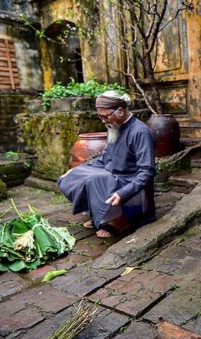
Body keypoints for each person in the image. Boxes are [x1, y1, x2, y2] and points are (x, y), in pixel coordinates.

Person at [58, 90, 156, 238]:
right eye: (100, 116)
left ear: (120, 111)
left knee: (95, 180)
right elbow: (105, 159)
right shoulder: (114, 127)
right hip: (112, 176)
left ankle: (120, 219)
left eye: (105, 116)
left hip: (130, 183)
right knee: (74, 176)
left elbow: (147, 172)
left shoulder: (140, 132)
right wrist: (78, 170)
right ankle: (102, 215)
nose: (103, 121)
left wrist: (123, 193)